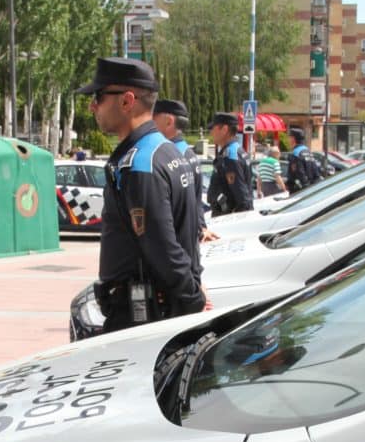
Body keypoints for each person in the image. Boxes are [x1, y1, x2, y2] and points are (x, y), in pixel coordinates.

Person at [77, 57, 205, 334]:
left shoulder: (139, 164)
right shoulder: (166, 151)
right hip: (154, 308)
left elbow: (164, 247)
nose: (92, 106)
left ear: (127, 101)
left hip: (142, 315)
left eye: (99, 97)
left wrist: (194, 299)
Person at [152, 98, 216, 241]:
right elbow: (195, 201)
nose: (150, 123)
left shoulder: (171, 157)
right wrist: (201, 228)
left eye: (154, 118)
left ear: (169, 121)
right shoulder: (189, 153)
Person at [206, 112, 254, 216]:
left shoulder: (230, 156)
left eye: (213, 128)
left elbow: (242, 197)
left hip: (227, 218)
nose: (211, 132)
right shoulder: (236, 151)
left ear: (224, 129)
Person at [286, 127, 322, 193]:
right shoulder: (308, 151)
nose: (288, 140)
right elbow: (316, 173)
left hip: (300, 192)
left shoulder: (296, 153)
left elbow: (299, 173)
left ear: (293, 139)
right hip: (312, 188)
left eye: (289, 137)